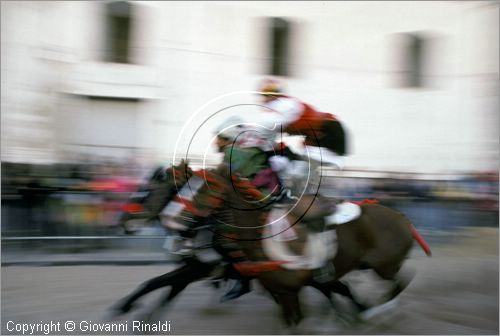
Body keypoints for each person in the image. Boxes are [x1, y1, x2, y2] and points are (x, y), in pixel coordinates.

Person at [254, 78, 348, 197]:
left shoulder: (282, 106)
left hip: (327, 134)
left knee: (291, 169)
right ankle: (307, 194)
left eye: (266, 95)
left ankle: (304, 196)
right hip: (321, 133)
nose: (264, 98)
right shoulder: (284, 105)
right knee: (294, 165)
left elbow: (265, 132)